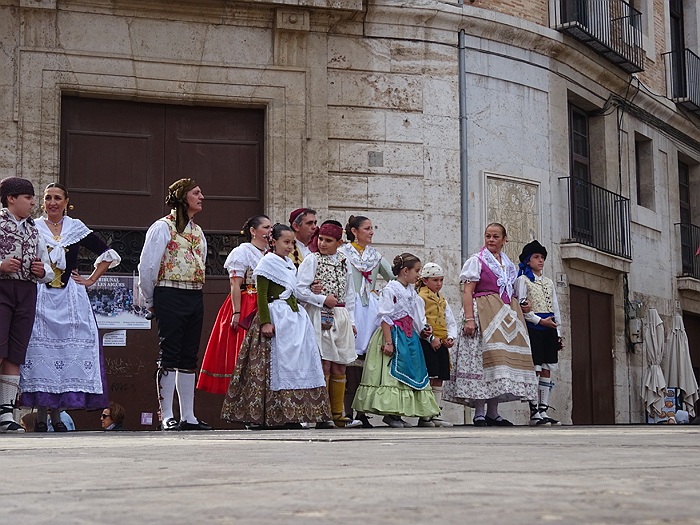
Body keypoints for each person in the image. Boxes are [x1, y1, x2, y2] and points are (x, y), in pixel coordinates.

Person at [20, 183, 120, 433]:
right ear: (43, 203)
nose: (52, 202)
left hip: (70, 299)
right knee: (39, 352)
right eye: (48, 198)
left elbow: (108, 254)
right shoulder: (33, 227)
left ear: (66, 202)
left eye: (57, 198)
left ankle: (57, 415)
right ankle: (41, 414)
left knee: (66, 353)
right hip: (41, 296)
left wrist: (90, 279)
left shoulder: (76, 228)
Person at [221, 223, 331, 429]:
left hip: (294, 319)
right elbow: (261, 295)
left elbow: (296, 290)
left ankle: (295, 414)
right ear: (273, 242)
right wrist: (265, 322)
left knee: (299, 365)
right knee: (273, 367)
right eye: (286, 242)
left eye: (292, 243)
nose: (290, 247)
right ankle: (272, 415)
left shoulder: (289, 264)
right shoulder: (267, 264)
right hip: (276, 316)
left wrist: (313, 290)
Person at [442, 223, 538, 426]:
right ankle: (479, 412)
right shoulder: (477, 261)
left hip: (505, 316)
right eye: (488, 236)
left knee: (499, 362)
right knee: (481, 360)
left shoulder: (509, 265)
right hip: (482, 312)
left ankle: (493, 412)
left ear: (504, 240)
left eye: (495, 237)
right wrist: (469, 318)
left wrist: (523, 306)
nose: (491, 240)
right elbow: (468, 291)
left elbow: (511, 291)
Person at [138, 178, 211, 431]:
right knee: (169, 354)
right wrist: (150, 298)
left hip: (194, 294)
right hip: (169, 292)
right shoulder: (162, 227)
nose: (201, 197)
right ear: (182, 197)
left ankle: (188, 415)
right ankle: (167, 414)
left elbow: (200, 260)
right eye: (196, 192)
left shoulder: (197, 232)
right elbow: (148, 265)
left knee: (189, 356)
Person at [352, 253, 439, 428]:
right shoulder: (391, 289)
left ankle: (400, 414)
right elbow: (385, 317)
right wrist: (389, 342)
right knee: (389, 375)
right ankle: (391, 414)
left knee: (410, 371)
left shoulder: (411, 292)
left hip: (408, 336)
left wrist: (425, 331)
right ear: (405, 271)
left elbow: (415, 317)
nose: (418, 275)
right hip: (392, 334)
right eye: (416, 270)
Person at [0, 177, 53, 433]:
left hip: (26, 292)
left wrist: (42, 271)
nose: (33, 202)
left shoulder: (35, 230)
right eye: (28, 197)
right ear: (11, 198)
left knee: (14, 354)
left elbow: (50, 270)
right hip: (1, 289)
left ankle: (5, 413)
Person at [297, 220, 362, 428]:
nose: (323, 244)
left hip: (340, 314)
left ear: (339, 242)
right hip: (320, 314)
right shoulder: (312, 260)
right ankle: (321, 413)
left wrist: (351, 320)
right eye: (321, 239)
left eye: (329, 240)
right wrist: (322, 299)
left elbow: (350, 294)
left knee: (340, 364)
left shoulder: (344, 261)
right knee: (324, 362)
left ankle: (337, 413)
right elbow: (299, 289)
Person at [197, 215, 272, 394]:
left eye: (271, 227)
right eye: (266, 227)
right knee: (243, 350)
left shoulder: (271, 253)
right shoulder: (243, 252)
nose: (270, 231)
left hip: (267, 302)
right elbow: (235, 284)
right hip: (247, 301)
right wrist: (236, 312)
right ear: (253, 231)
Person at [338, 215, 393, 427]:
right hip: (351, 307)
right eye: (367, 228)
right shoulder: (343, 254)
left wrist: (381, 293)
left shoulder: (375, 255)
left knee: (368, 362)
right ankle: (345, 411)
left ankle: (361, 412)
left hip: (371, 309)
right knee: (348, 361)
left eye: (372, 229)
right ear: (354, 231)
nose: (371, 232)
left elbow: (394, 278)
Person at [515, 240, 562, 426]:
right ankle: (534, 410)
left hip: (549, 327)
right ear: (528, 261)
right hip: (534, 328)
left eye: (542, 257)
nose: (540, 260)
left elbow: (555, 307)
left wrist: (558, 331)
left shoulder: (548, 282)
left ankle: (543, 408)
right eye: (536, 257)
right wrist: (539, 320)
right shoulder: (522, 280)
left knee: (547, 368)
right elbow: (522, 307)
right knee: (534, 369)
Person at [416, 262, 458, 427]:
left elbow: (450, 321)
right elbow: (420, 320)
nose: (439, 284)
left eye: (441, 280)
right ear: (425, 281)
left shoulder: (443, 300)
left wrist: (451, 337)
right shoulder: (421, 297)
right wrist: (430, 337)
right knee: (429, 377)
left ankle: (435, 413)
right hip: (428, 343)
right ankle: (425, 415)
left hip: (441, 343)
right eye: (435, 280)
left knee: (440, 377)